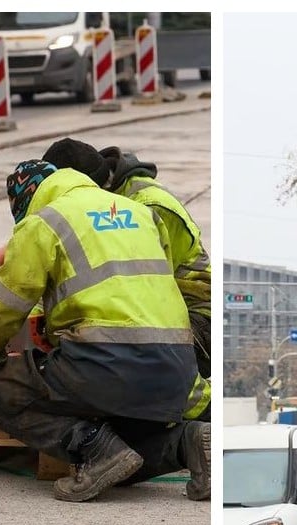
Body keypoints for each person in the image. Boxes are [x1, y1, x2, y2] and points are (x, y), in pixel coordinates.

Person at [0, 160, 209, 503]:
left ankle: (94, 447)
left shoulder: (44, 222)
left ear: (25, 200)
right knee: (125, 450)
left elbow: (3, 304)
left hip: (105, 361)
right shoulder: (139, 213)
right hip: (177, 361)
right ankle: (187, 442)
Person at [42, 138, 211, 420]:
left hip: (192, 317)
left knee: (122, 369)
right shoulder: (97, 202)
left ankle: (192, 424)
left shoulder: (149, 207)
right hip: (148, 313)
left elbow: (144, 292)